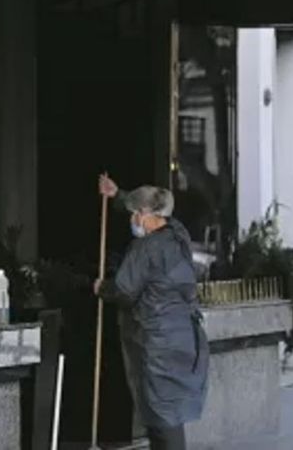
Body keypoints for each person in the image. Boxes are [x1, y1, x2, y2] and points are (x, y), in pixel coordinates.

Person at [94, 174, 208, 450]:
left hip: (157, 341)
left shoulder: (145, 248)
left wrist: (101, 287)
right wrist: (118, 195)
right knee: (170, 410)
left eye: (134, 214)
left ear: (145, 214)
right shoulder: (178, 234)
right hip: (184, 338)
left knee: (160, 417)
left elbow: (124, 290)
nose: (133, 220)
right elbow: (154, 206)